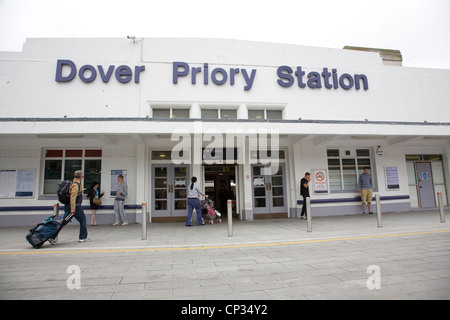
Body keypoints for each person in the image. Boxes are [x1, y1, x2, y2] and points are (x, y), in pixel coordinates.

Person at [49, 170, 89, 244]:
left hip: (69, 206)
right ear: (81, 177)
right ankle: (82, 237)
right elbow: (73, 197)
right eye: (82, 176)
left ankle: (52, 236)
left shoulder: (73, 183)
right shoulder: (76, 185)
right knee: (82, 220)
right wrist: (73, 209)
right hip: (75, 207)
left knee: (63, 222)